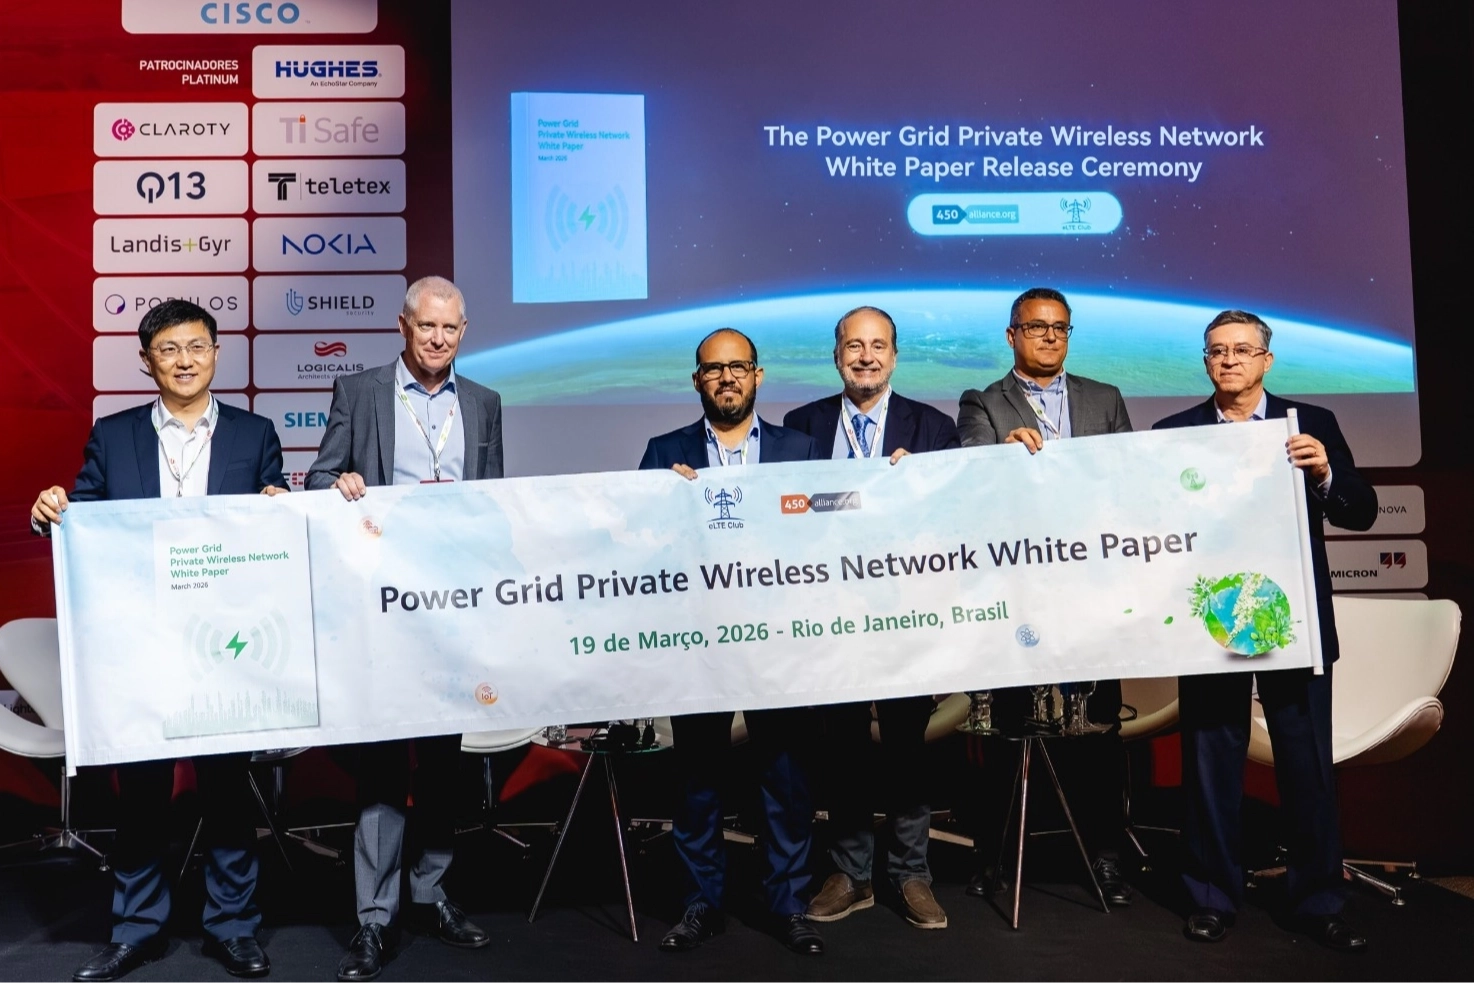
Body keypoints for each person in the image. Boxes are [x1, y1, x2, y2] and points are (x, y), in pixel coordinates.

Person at [31, 299, 286, 982]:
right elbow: (82, 518)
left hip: (226, 641)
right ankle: (137, 930)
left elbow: (278, 526)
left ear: (216, 353)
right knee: (142, 789)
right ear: (147, 361)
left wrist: (280, 508)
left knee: (226, 787)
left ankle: (234, 927)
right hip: (140, 638)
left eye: (196, 346)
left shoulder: (255, 432)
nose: (184, 360)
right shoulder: (112, 435)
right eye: (168, 349)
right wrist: (49, 512)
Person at [1153, 309, 1375, 951]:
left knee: (1307, 768)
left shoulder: (1312, 424)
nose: (1229, 360)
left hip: (1293, 620)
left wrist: (1325, 473)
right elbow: (1156, 528)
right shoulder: (1174, 434)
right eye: (1217, 351)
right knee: (1210, 763)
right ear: (1205, 361)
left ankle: (1317, 900)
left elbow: (1360, 512)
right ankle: (1211, 896)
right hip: (1213, 620)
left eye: (1242, 350)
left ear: (1266, 361)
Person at [305, 276, 503, 982]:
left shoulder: (483, 402)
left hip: (451, 611)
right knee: (384, 765)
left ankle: (432, 892)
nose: (438, 339)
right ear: (403, 326)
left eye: (450, 328)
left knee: (444, 764)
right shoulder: (359, 392)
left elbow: (493, 505)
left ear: (464, 331)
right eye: (427, 327)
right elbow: (318, 480)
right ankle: (374, 916)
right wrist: (339, 485)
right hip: (381, 609)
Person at [639, 328, 825, 956]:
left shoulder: (801, 449)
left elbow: (827, 539)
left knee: (785, 780)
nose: (727, 378)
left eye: (738, 367)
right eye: (714, 369)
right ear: (697, 380)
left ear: (757, 375)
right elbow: (641, 548)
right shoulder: (664, 453)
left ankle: (789, 906)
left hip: (778, 641)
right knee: (698, 782)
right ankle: (701, 904)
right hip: (700, 642)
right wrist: (667, 505)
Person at [956, 286, 1135, 906]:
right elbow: (972, 469)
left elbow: (1128, 481)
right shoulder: (982, 402)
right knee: (1010, 729)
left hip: (1091, 586)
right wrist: (1001, 457)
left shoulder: (1104, 398)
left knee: (1098, 729)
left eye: (1060, 327)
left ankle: (1105, 855)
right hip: (1017, 590)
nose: (1051, 336)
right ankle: (997, 856)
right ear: (1013, 336)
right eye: (1037, 327)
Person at [781, 306, 959, 930]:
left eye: (878, 345)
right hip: (831, 613)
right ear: (837, 356)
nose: (866, 357)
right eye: (854, 346)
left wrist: (921, 491)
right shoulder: (800, 427)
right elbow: (781, 519)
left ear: (894, 356)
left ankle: (911, 873)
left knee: (908, 745)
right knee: (844, 745)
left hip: (907, 614)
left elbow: (956, 518)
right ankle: (851, 873)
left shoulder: (933, 428)